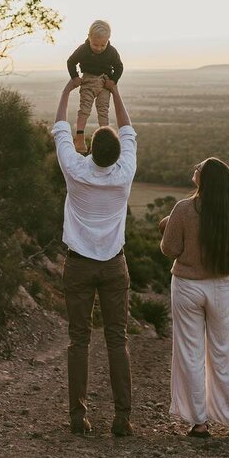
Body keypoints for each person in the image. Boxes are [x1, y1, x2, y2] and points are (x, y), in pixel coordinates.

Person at [52, 74, 137, 437]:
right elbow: (129, 129)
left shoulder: (75, 170)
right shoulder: (125, 173)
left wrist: (68, 90)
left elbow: (60, 129)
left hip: (79, 265)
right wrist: (115, 90)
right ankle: (122, 418)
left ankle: (77, 416)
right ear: (117, 154)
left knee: (79, 339)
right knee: (117, 340)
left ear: (89, 150)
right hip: (114, 265)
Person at [159, 157, 229, 438]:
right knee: (225, 352)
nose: (194, 170)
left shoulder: (184, 209)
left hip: (188, 285)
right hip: (222, 285)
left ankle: (199, 422)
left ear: (204, 178)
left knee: (190, 352)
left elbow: (169, 249)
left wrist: (166, 227)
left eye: (198, 168)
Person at [66, 19, 124, 154]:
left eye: (102, 45)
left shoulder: (111, 51)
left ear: (108, 40)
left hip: (104, 82)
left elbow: (119, 66)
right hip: (88, 80)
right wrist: (75, 77)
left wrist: (113, 81)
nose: (98, 48)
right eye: (95, 44)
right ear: (89, 37)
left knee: (103, 110)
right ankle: (79, 138)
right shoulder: (83, 49)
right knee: (85, 108)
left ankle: (104, 139)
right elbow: (71, 62)